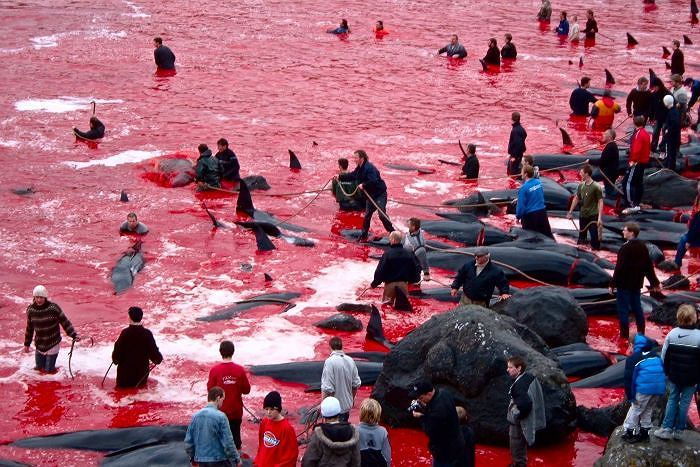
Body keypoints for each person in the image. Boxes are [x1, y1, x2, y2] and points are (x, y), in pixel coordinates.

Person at [654, 304, 700, 440]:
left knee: (672, 400)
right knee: (685, 402)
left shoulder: (672, 334)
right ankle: (679, 430)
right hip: (692, 379)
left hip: (674, 376)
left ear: (678, 318)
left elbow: (664, 356)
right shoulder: (699, 336)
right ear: (694, 319)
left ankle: (666, 428)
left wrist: (666, 373)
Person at [610, 222, 661, 339]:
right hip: (636, 284)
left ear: (631, 233)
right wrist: (655, 283)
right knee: (637, 309)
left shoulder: (624, 248)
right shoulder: (642, 246)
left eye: (625, 230)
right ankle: (641, 333)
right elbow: (648, 267)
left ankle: (624, 336)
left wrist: (612, 284)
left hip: (624, 285)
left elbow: (619, 268)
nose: (623, 231)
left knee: (623, 310)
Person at [337, 150, 394, 242]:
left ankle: (393, 233)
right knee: (367, 216)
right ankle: (364, 236)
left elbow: (374, 180)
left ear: (361, 158)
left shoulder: (369, 168)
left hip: (379, 195)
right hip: (370, 196)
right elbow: (353, 175)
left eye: (355, 157)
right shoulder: (359, 168)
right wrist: (340, 177)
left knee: (381, 215)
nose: (354, 159)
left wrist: (364, 185)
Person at [621, 334, 665, 443]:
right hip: (658, 389)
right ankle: (645, 431)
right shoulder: (655, 355)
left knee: (635, 409)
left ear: (632, 345)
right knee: (648, 409)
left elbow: (628, 379)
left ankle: (629, 431)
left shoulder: (633, 359)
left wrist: (630, 396)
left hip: (644, 389)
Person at [23, 285, 79, 373]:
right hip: (40, 344)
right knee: (38, 369)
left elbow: (65, 322)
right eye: (37, 297)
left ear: (45, 297)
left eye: (41, 297)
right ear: (34, 297)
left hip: (53, 342)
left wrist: (74, 335)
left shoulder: (53, 308)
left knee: (48, 371)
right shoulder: (31, 310)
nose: (39, 300)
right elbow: (29, 328)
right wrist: (27, 344)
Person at [207, 340, 251, 451]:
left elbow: (210, 390)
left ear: (220, 352)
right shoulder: (240, 370)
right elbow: (247, 390)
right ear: (233, 352)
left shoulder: (214, 370)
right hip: (236, 411)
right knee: (235, 441)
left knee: (218, 442)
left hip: (219, 412)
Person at [410, 380, 466, 467]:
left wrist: (420, 416)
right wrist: (424, 405)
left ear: (428, 394)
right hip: (457, 441)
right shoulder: (444, 393)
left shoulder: (438, 412)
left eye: (421, 398)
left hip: (445, 452)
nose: (419, 400)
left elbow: (429, 430)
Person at [184, 387, 241, 467]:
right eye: (222, 399)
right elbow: (228, 442)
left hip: (201, 460)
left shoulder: (195, 417)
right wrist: (236, 459)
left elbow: (188, 442)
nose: (222, 403)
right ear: (218, 398)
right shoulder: (221, 416)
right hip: (219, 460)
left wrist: (193, 458)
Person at [506, 357, 545, 467]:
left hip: (518, 424)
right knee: (521, 445)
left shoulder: (518, 388)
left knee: (516, 446)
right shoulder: (529, 377)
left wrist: (517, 416)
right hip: (526, 420)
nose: (507, 369)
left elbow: (526, 405)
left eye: (510, 367)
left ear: (519, 368)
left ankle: (518, 464)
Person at [111, 306, 163, 388]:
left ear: (130, 318)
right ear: (141, 318)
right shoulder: (147, 334)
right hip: (141, 378)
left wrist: (115, 358)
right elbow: (157, 358)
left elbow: (115, 359)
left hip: (124, 379)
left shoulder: (125, 333)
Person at [301, 396, 360, 466]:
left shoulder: (319, 434)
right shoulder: (352, 432)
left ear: (323, 414)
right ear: (339, 411)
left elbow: (308, 461)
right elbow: (356, 461)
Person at [371, 231, 420, 304]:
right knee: (403, 309)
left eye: (390, 239)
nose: (389, 241)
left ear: (393, 240)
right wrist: (413, 280)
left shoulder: (387, 254)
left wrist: (374, 284)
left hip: (390, 286)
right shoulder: (409, 253)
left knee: (387, 308)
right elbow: (415, 269)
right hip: (403, 285)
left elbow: (380, 271)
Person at [321, 337, 361, 423]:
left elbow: (327, 388)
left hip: (333, 411)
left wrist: (322, 406)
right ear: (341, 347)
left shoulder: (329, 362)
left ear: (330, 347)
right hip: (346, 408)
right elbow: (356, 384)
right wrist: (351, 400)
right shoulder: (351, 360)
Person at [254, 391, 298, 467]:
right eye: (266, 409)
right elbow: (261, 445)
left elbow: (291, 456)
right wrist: (257, 461)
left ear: (278, 409)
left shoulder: (287, 429)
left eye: (272, 409)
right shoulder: (264, 422)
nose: (268, 412)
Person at [567, 164, 603, 250]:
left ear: (586, 174)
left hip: (593, 215)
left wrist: (599, 218)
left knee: (595, 238)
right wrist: (570, 212)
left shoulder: (596, 187)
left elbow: (600, 202)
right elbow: (576, 198)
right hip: (583, 215)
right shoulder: (581, 185)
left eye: (581, 172)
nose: (580, 173)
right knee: (581, 238)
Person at [622, 117, 651, 212]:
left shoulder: (638, 134)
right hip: (643, 162)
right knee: (638, 183)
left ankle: (630, 204)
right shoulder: (646, 133)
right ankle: (637, 202)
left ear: (634, 123)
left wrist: (633, 161)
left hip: (637, 162)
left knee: (627, 182)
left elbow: (637, 149)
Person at [516, 165, 553, 238]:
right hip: (542, 213)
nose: (521, 173)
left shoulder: (523, 188)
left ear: (526, 174)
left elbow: (521, 206)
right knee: (547, 237)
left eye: (522, 172)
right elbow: (540, 195)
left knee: (531, 240)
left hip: (530, 216)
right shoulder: (538, 183)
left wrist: (518, 216)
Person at [358, 398, 391, 467]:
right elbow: (387, 456)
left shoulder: (354, 430)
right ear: (378, 414)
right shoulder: (383, 432)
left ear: (361, 413)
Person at [589, 129, 620, 198]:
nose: (603, 135)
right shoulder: (611, 145)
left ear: (610, 137)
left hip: (609, 174)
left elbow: (602, 161)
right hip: (610, 172)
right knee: (609, 190)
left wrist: (590, 161)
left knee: (609, 193)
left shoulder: (610, 147)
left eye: (605, 134)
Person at [648, 78, 672, 152]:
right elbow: (651, 107)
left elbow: (671, 107)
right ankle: (653, 148)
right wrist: (651, 117)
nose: (653, 89)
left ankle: (662, 149)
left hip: (666, 118)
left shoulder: (668, 94)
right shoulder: (653, 94)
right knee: (655, 133)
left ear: (658, 86)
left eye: (654, 87)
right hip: (658, 118)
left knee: (665, 134)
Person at [660, 94, 681, 171]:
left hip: (672, 137)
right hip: (674, 136)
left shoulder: (672, 113)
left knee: (671, 154)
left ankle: (670, 170)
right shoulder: (675, 110)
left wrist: (667, 131)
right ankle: (669, 167)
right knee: (671, 153)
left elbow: (674, 124)